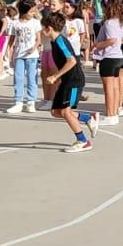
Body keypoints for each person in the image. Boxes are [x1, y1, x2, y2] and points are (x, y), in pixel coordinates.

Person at [41, 10, 99, 153]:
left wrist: (55, 76)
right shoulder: (54, 42)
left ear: (49, 28)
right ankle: (88, 117)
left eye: (43, 28)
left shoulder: (60, 41)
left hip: (74, 80)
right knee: (55, 112)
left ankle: (83, 141)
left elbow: (72, 61)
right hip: (66, 80)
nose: (41, 31)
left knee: (66, 112)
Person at [5, 0, 43, 115]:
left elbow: (38, 39)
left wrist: (34, 47)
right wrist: (9, 55)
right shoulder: (14, 23)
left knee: (32, 78)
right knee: (18, 78)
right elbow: (11, 41)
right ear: (23, 11)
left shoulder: (35, 23)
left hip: (32, 55)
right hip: (19, 55)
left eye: (33, 12)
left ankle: (31, 101)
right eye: (30, 12)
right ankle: (18, 102)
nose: (32, 14)